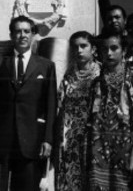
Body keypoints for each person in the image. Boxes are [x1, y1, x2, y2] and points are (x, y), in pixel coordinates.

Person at [0, 16, 57, 191]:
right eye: (18, 31)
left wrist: (48, 139)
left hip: (32, 139)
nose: (22, 35)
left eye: (26, 31)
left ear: (32, 35)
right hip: (2, 138)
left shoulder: (46, 66)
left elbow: (51, 104)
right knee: (0, 186)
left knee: (28, 186)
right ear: (11, 35)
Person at [88, 34, 133, 191]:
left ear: (124, 50)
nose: (109, 53)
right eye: (105, 49)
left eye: (114, 48)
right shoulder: (96, 83)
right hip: (98, 149)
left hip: (127, 148)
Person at [54, 31, 101, 191]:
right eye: (75, 47)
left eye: (83, 46)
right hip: (70, 137)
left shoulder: (101, 74)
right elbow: (60, 104)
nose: (79, 50)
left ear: (93, 49)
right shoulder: (69, 74)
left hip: (93, 134)